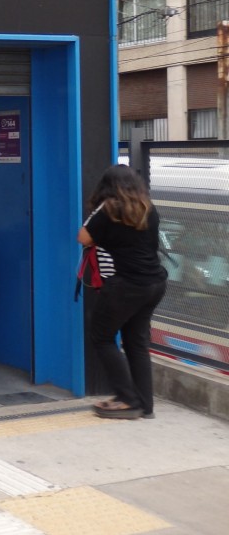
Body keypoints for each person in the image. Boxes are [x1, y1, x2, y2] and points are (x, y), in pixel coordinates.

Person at [78, 164, 167, 420]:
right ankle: (144, 404)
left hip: (127, 285)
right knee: (136, 341)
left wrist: (99, 218)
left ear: (107, 186)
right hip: (155, 283)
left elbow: (83, 238)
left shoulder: (109, 209)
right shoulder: (147, 208)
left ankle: (127, 399)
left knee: (102, 337)